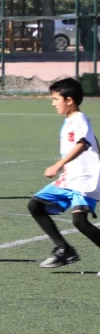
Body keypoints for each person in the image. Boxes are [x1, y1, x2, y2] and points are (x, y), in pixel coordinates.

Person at [27, 78, 100, 271]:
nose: (53, 103)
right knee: (36, 205)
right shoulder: (70, 121)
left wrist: (58, 165)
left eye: (55, 99)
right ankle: (64, 249)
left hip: (85, 179)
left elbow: (83, 143)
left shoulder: (80, 119)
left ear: (69, 100)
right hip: (70, 178)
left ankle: (64, 250)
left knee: (80, 222)